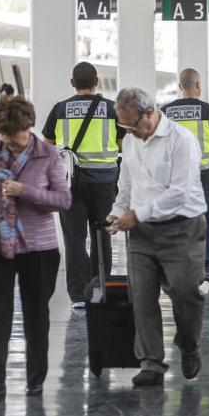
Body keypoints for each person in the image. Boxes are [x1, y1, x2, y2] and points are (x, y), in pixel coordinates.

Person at [0, 96, 72, 400]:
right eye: (1, 133)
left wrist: (24, 191)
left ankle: (35, 380)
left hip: (39, 248)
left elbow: (64, 200)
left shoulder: (48, 155)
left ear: (27, 128)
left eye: (11, 134)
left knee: (36, 315)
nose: (5, 140)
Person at [106, 87, 207, 387]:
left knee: (185, 291)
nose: (132, 133)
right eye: (125, 127)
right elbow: (126, 183)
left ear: (149, 113)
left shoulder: (181, 140)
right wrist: (117, 212)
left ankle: (189, 344)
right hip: (141, 235)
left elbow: (180, 192)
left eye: (134, 125)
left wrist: (137, 214)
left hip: (182, 229)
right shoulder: (131, 140)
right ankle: (151, 362)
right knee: (142, 296)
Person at [42, 62, 124, 309]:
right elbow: (122, 142)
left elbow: (47, 144)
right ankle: (100, 288)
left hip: (70, 184)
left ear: (72, 83)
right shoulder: (112, 109)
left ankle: (79, 295)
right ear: (96, 82)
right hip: (104, 182)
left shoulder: (59, 109)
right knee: (103, 237)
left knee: (74, 239)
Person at [160, 68, 209, 287]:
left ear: (180, 87)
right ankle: (205, 268)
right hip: (204, 175)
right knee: (208, 219)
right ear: (198, 85)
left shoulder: (165, 112)